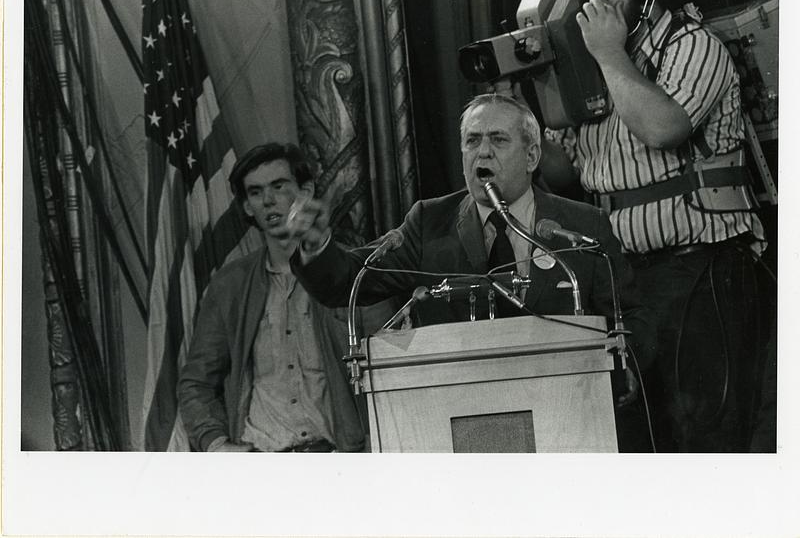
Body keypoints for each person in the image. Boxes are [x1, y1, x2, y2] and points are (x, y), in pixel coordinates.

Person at [285, 93, 653, 414]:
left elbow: (630, 315)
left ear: (532, 155)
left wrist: (625, 367)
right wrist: (317, 244)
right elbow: (351, 280)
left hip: (564, 407)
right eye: (472, 141)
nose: (483, 152)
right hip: (460, 412)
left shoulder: (581, 225)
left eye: (498, 139)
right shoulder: (430, 222)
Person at [540, 0, 766, 452]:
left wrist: (609, 55)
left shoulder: (691, 46)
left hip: (698, 270)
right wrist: (532, 116)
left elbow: (665, 129)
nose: (587, 10)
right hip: (623, 278)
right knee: (642, 432)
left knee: (704, 432)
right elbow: (568, 175)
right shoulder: (589, 64)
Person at [178, 142, 391, 452]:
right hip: (263, 463)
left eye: (278, 186)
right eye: (255, 192)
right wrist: (217, 445)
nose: (268, 200)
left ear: (305, 192)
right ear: (247, 206)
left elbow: (389, 367)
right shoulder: (230, 285)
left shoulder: (355, 274)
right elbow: (196, 382)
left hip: (341, 460)